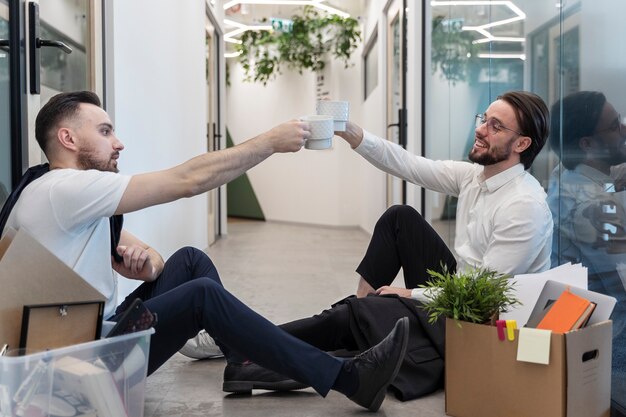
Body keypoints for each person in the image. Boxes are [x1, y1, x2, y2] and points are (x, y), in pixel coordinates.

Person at [0, 91, 410, 412]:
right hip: (81, 373)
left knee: (189, 263)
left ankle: (245, 364)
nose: (118, 142)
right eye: (105, 131)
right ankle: (349, 379)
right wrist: (269, 142)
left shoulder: (46, 187)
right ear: (68, 139)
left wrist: (148, 266)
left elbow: (153, 258)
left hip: (91, 339)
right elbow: (189, 180)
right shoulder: (65, 189)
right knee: (202, 296)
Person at [223, 90, 553, 401]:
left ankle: (251, 343)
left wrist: (411, 294)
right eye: (484, 119)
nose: (481, 129)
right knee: (401, 219)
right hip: (457, 290)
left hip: (480, 319)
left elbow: (481, 294)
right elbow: (406, 163)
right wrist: (351, 132)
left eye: (496, 126)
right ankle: (353, 314)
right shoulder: (475, 178)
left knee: (352, 318)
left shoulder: (523, 206)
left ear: (521, 143)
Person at [546, 90, 626, 399]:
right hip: (612, 355)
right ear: (587, 144)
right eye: (615, 125)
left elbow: (608, 182)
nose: (623, 131)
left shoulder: (565, 176)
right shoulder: (596, 210)